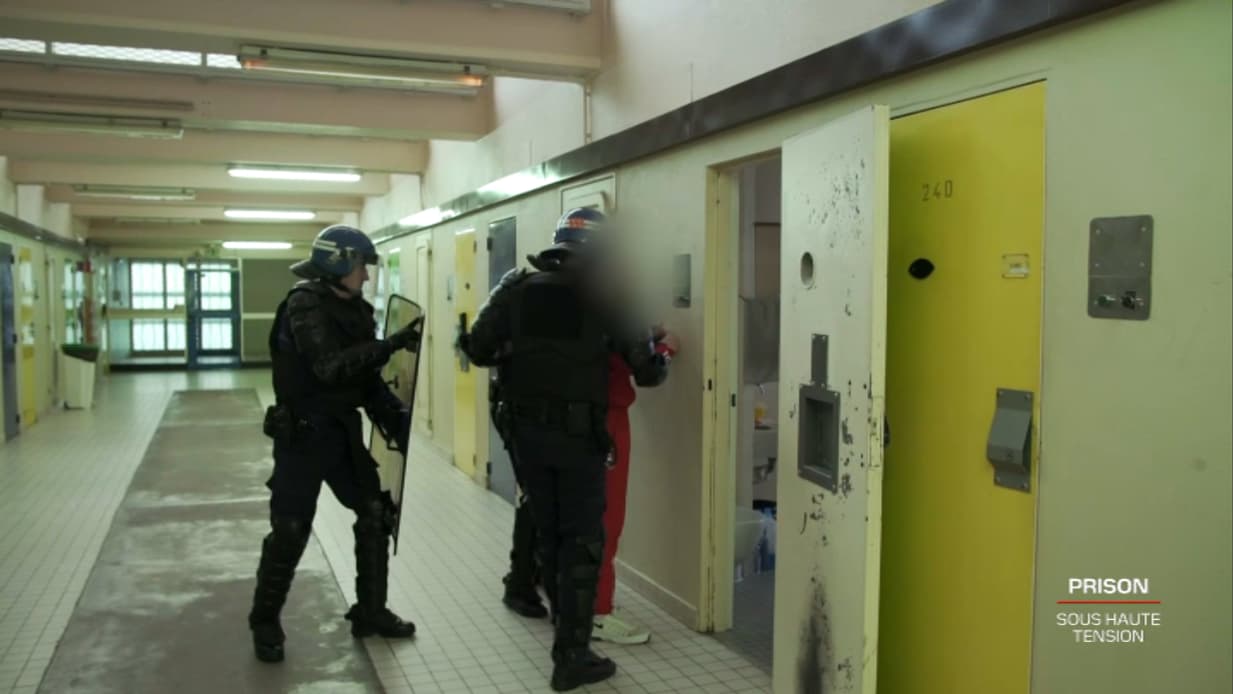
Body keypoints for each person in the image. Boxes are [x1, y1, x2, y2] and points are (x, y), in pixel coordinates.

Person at [461, 208, 674, 691]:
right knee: (583, 540)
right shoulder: (611, 299)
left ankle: (560, 633)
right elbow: (649, 373)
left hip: (524, 436)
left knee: (548, 530)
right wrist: (652, 348)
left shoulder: (514, 288)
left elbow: (475, 349)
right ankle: (571, 656)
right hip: (580, 439)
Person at [248, 224, 423, 664]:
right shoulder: (302, 305)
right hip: (303, 435)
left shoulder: (358, 312)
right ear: (340, 262)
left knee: (375, 512)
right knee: (290, 531)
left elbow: (364, 382)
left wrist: (395, 420)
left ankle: (371, 611)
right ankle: (264, 620)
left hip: (341, 433)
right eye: (362, 265)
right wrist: (388, 346)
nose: (366, 276)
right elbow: (328, 367)